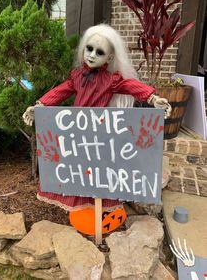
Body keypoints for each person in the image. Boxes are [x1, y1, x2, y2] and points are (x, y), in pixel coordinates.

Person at [23, 24, 171, 234]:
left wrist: (152, 97)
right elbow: (61, 91)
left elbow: (130, 85)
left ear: (109, 58)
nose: (92, 55)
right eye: (89, 49)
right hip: (77, 133)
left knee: (98, 172)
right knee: (79, 171)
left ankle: (101, 210)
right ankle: (83, 208)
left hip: (99, 134)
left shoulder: (111, 80)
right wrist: (40, 106)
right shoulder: (77, 76)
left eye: (99, 52)